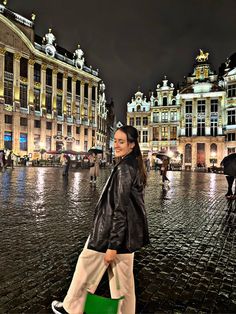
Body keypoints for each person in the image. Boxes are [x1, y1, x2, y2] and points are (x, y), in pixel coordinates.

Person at [52, 125, 149, 314]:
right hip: (126, 236)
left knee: (85, 268)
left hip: (109, 233)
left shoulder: (124, 169)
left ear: (131, 144)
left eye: (122, 141)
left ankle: (71, 309)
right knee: (123, 284)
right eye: (116, 141)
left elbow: (120, 208)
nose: (117, 145)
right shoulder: (133, 164)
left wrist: (112, 245)